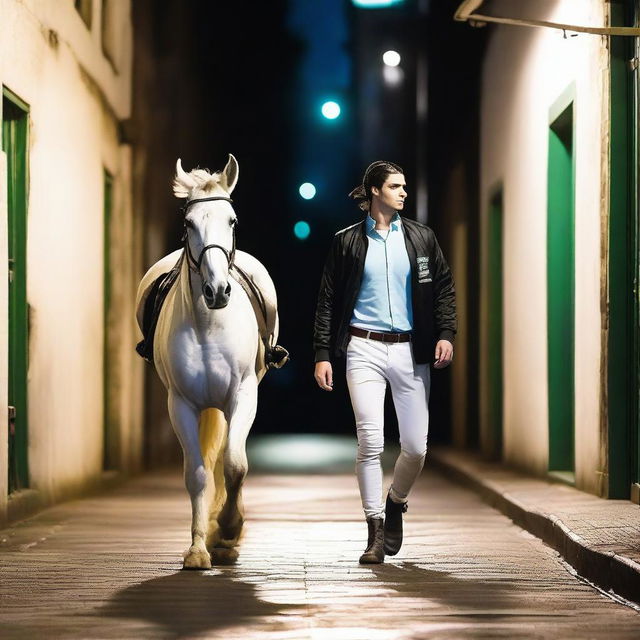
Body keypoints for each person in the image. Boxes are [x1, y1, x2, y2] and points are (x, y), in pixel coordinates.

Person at [313, 160, 456, 564]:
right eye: (396, 186)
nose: (404, 193)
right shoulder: (347, 242)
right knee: (371, 441)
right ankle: (375, 529)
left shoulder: (421, 238)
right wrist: (323, 354)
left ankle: (396, 502)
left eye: (405, 186)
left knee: (415, 447)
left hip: (412, 350)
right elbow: (326, 300)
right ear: (375, 191)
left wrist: (445, 334)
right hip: (364, 349)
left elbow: (443, 287)